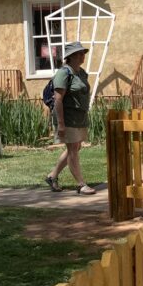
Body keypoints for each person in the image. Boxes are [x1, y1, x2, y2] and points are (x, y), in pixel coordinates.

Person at [45, 41, 96, 195]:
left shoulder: (81, 72)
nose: (83, 56)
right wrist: (60, 124)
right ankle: (81, 184)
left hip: (80, 117)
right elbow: (58, 100)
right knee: (73, 149)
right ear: (71, 56)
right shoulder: (63, 73)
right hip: (67, 118)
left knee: (75, 147)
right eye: (79, 53)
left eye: (83, 53)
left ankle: (52, 176)